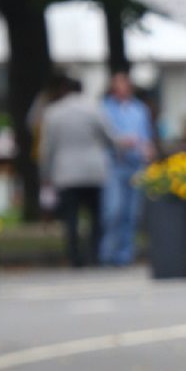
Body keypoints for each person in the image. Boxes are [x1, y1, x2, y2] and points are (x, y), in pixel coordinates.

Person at [38, 78, 115, 268]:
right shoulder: (94, 109)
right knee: (96, 217)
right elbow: (108, 136)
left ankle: (75, 257)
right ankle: (95, 255)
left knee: (71, 218)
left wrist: (45, 173)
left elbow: (47, 148)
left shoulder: (53, 112)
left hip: (66, 172)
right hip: (93, 170)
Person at [100, 70, 155, 267]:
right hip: (114, 164)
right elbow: (103, 137)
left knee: (132, 213)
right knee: (113, 211)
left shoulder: (139, 109)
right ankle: (108, 253)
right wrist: (121, 142)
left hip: (136, 163)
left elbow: (146, 135)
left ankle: (126, 254)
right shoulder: (104, 109)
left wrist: (147, 148)